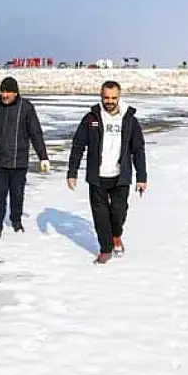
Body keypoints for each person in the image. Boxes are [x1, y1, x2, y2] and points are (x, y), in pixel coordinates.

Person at [66, 80, 147, 264]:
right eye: (106, 97)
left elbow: (138, 150)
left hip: (120, 176)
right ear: (101, 96)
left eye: (113, 98)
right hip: (97, 177)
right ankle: (105, 249)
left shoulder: (129, 119)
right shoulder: (91, 119)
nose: (109, 101)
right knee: (100, 217)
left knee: (119, 212)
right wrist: (72, 172)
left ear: (119, 97)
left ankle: (116, 235)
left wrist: (141, 177)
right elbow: (78, 146)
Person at [0, 76, 51, 241]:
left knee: (17, 194)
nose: (4, 95)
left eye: (8, 92)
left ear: (16, 92)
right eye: (2, 91)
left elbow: (35, 133)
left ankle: (16, 221)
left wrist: (43, 157)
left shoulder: (26, 108)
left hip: (19, 161)